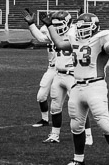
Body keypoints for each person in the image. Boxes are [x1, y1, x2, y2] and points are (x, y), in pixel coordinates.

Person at [59, 11, 109, 165]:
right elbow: (60, 44)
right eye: (80, 26)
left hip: (95, 86)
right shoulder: (74, 38)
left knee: (104, 123)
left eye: (85, 26)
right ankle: (78, 159)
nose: (81, 29)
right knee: (76, 125)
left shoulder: (101, 37)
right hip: (77, 86)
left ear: (94, 27)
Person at [26, 9, 77, 144]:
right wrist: (31, 24)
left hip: (70, 71)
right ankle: (46, 122)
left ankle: (87, 134)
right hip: (53, 68)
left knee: (77, 103)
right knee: (43, 96)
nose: (57, 26)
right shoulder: (51, 31)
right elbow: (42, 38)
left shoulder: (73, 32)